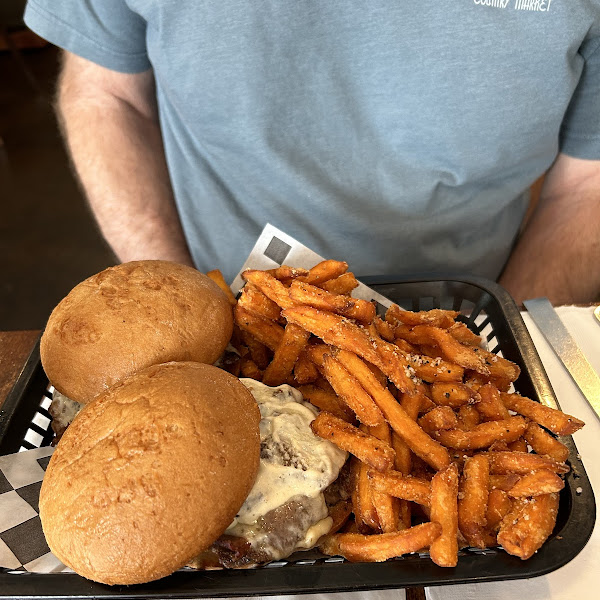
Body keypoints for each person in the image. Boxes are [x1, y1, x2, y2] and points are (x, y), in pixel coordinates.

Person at [24, 0, 600, 305]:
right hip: (218, 299)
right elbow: (108, 95)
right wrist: (182, 307)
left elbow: (587, 186)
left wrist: (502, 357)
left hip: (470, 315)